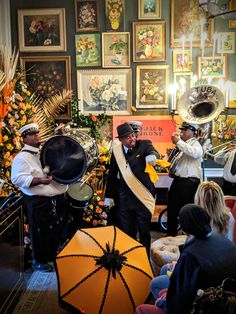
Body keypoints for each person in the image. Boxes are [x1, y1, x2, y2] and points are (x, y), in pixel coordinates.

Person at [136, 204, 236, 314]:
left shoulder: (190, 255)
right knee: (165, 270)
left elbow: (179, 299)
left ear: (185, 227)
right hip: (225, 296)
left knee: (144, 304)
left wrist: (162, 302)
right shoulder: (222, 239)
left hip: (205, 303)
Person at [150, 180, 235, 299]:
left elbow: (193, 252)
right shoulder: (228, 217)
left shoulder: (198, 219)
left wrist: (179, 265)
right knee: (165, 269)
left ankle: (167, 301)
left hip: (202, 271)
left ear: (198, 200)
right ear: (220, 199)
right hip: (216, 264)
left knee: (156, 282)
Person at [11, 123, 68, 272]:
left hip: (54, 199)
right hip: (38, 201)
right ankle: (39, 260)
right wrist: (40, 180)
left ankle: (50, 256)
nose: (37, 136)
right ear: (24, 138)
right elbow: (16, 179)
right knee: (39, 232)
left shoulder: (42, 153)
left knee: (53, 230)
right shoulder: (22, 158)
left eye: (37, 133)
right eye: (32, 134)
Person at [105, 122, 160, 253]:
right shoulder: (117, 152)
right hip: (125, 199)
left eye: (133, 135)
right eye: (128, 137)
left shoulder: (144, 144)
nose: (133, 139)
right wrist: (109, 196)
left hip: (143, 198)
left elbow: (153, 151)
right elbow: (112, 175)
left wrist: (153, 156)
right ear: (121, 139)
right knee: (128, 231)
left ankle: (145, 258)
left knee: (144, 232)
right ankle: (131, 256)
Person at [167, 122, 203, 236]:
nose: (181, 132)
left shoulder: (195, 144)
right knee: (172, 209)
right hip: (178, 181)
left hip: (189, 183)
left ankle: (187, 236)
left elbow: (195, 154)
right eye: (181, 130)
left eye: (185, 130)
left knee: (186, 210)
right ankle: (171, 234)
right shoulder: (182, 145)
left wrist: (178, 142)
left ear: (193, 132)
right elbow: (180, 164)